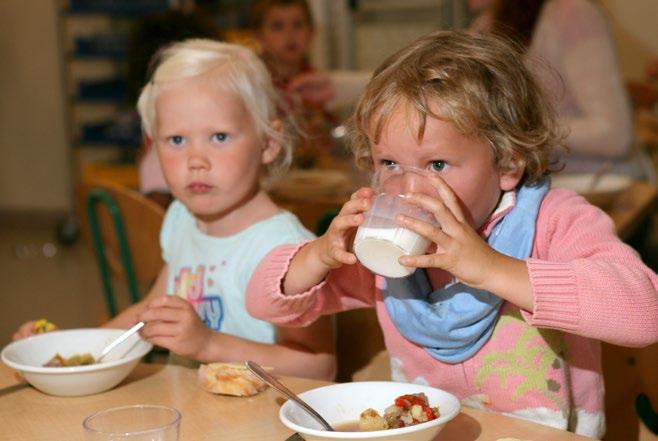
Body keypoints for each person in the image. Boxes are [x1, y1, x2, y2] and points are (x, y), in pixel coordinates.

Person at [245, 31, 658, 437]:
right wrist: (319, 255)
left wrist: (492, 268)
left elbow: (645, 312)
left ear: (508, 162)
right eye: (389, 163)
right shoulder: (385, 246)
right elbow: (264, 303)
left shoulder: (553, 222)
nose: (410, 189)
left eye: (437, 165)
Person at [14, 39, 336, 381]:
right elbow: (152, 313)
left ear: (268, 144)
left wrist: (209, 344)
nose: (196, 161)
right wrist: (70, 351)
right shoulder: (182, 218)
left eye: (220, 137)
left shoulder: (287, 250)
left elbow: (318, 367)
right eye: (177, 140)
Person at [468, 0, 639, 177]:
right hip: (547, 185)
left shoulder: (573, 14)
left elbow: (614, 134)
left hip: (601, 187)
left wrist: (518, 132)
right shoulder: (484, 27)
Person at [251, 0, 336, 164]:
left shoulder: (317, 81)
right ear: (258, 36)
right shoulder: (253, 83)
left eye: (297, 25)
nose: (289, 34)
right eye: (277, 26)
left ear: (312, 32)